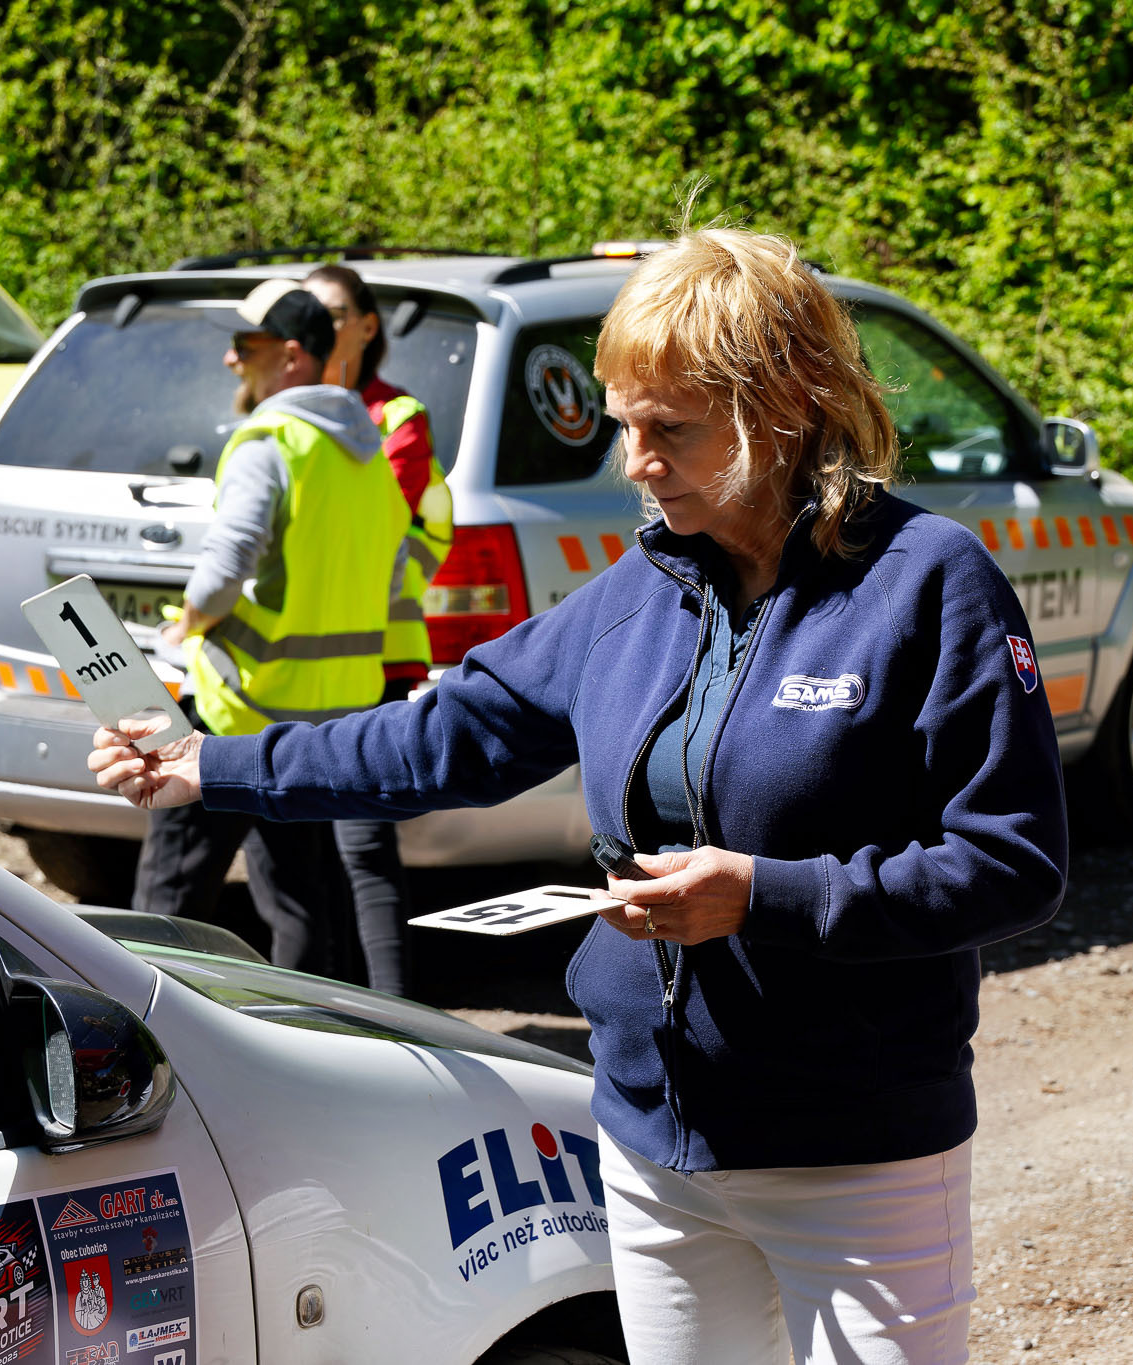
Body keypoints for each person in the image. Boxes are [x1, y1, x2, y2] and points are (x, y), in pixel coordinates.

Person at [91, 228, 1068, 1363]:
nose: (636, 463)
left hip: (857, 1160)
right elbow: (439, 740)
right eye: (622, 425)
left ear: (783, 406)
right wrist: (210, 765)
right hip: (652, 1151)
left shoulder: (927, 582)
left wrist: (763, 895)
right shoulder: (639, 590)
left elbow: (1012, 863)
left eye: (670, 429)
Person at [131, 277, 410, 976]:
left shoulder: (270, 442)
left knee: (166, 903)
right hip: (323, 727)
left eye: (244, 345)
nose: (231, 359)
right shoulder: (368, 457)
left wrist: (188, 624)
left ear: (290, 356)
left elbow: (225, 570)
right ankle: (309, 1032)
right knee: (302, 905)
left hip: (235, 712)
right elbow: (393, 576)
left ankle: (138, 1030)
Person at [299, 263, 453, 997]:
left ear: (366, 327)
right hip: (296, 666)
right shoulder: (288, 418)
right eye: (308, 312)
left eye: (333, 313)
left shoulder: (397, 416)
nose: (320, 326)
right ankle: (322, 1013)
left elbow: (353, 523)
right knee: (301, 855)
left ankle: (391, 1017)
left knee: (362, 846)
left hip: (376, 662)